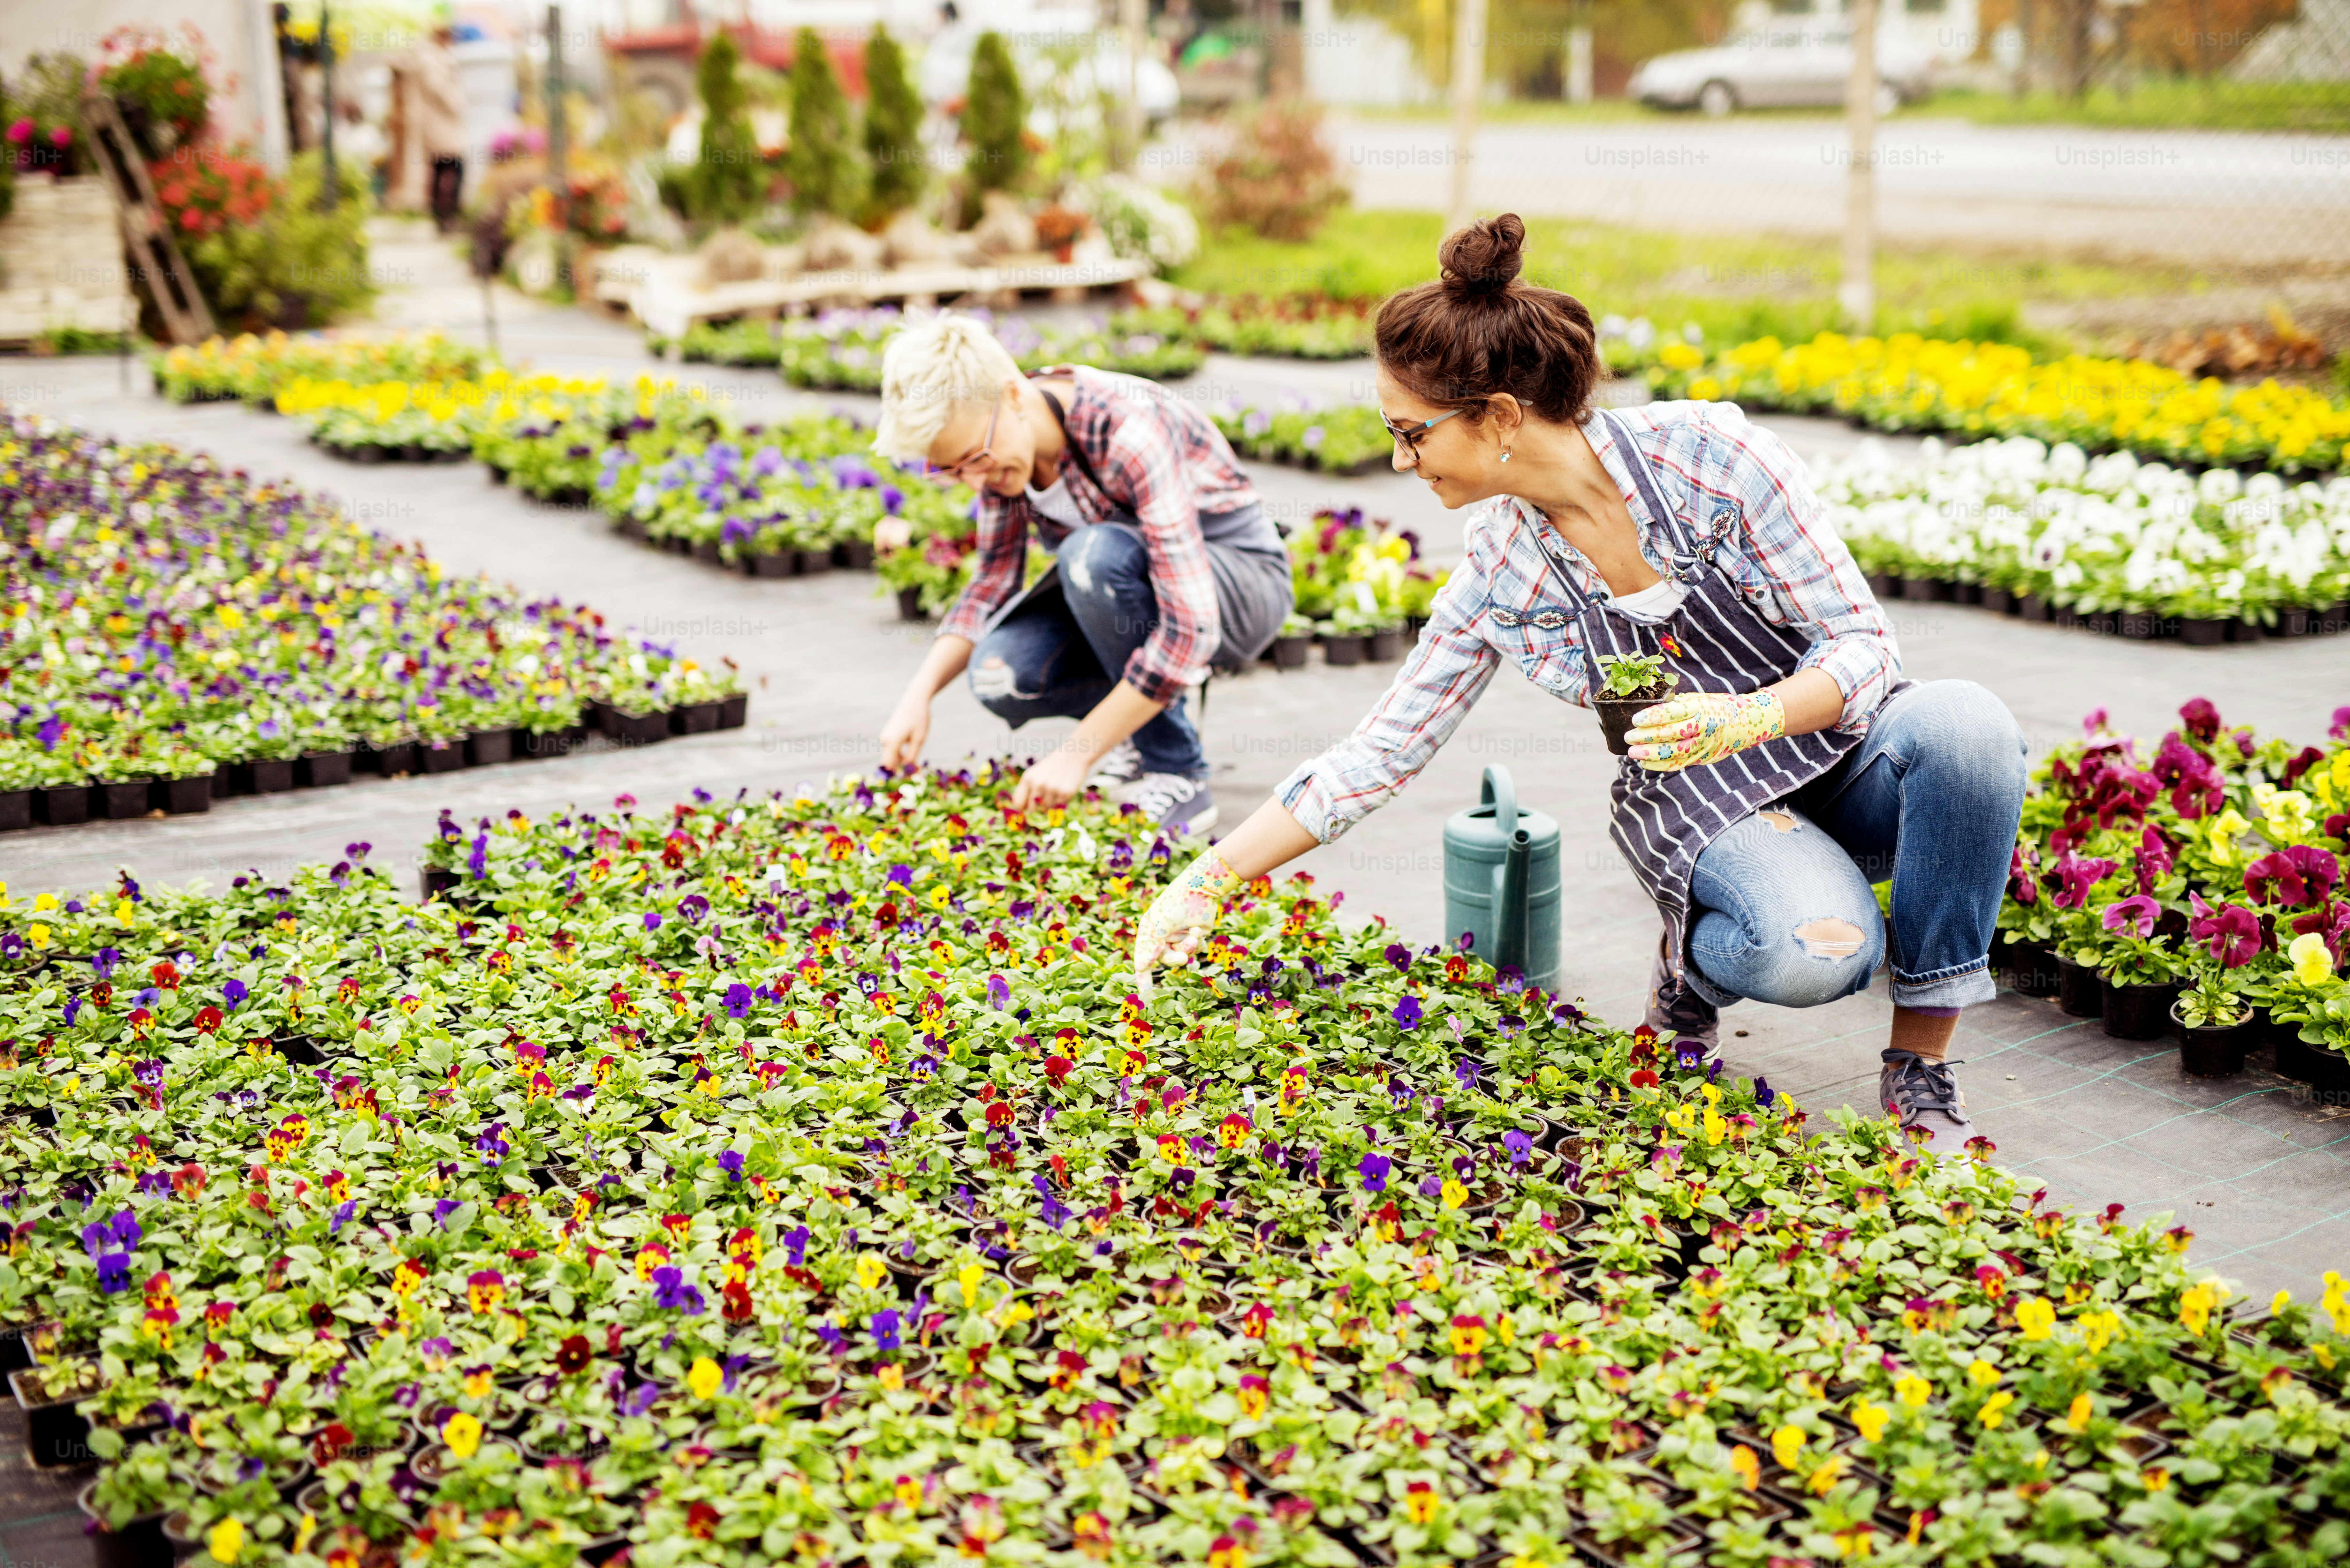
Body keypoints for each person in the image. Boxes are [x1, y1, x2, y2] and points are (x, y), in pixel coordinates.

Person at [1130, 215, 2027, 1155]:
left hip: (1840, 752)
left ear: (1501, 416)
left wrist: (1748, 713)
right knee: (1813, 955)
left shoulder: (1711, 462)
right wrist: (1208, 876)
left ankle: (1917, 1067)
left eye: (1409, 433)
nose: (1400, 460)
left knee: (1965, 725)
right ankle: (1691, 965)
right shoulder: (1499, 570)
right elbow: (1380, 750)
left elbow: (1861, 645)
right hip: (1705, 802)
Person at [872, 314, 1293, 833]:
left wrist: (1078, 753)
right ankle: (1139, 739)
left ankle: (1178, 771)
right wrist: (918, 697)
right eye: (953, 469)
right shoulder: (1003, 455)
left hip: (1241, 585)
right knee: (999, 675)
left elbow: (1192, 629)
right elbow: (991, 585)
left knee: (1093, 557)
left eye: (975, 458)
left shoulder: (1124, 429)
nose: (974, 480)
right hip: (1139, 594)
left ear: (1014, 395)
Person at [412, 24, 466, 232]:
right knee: (453, 166)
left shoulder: (436, 57)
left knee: (441, 167)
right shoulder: (430, 59)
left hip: (440, 123)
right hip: (439, 122)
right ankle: (445, 214)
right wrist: (457, 104)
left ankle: (443, 215)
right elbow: (439, 89)